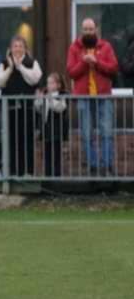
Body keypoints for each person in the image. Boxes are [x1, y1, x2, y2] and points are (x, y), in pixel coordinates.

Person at [67, 18, 119, 177]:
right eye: (85, 29)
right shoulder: (75, 48)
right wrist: (84, 62)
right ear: (81, 31)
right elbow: (71, 72)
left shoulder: (106, 46)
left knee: (107, 132)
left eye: (91, 29)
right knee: (86, 133)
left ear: (96, 29)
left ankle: (108, 166)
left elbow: (114, 68)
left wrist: (96, 62)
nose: (88, 32)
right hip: (84, 96)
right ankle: (93, 166)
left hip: (103, 96)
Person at [0, 33, 42, 177]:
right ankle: (13, 172)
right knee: (11, 140)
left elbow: (34, 79)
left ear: (25, 48)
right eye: (15, 46)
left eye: (20, 46)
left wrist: (20, 67)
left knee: (26, 140)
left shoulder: (32, 62)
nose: (18, 49)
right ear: (10, 48)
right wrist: (10, 68)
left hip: (27, 109)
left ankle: (27, 172)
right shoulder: (4, 63)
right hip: (10, 109)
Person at [37, 71, 70, 180]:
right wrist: (39, 99)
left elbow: (60, 108)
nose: (49, 85)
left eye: (51, 83)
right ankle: (47, 176)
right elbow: (39, 109)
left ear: (58, 85)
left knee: (56, 154)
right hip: (47, 129)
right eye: (48, 83)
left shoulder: (63, 95)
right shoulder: (46, 95)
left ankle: (56, 176)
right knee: (47, 154)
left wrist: (50, 99)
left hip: (57, 129)